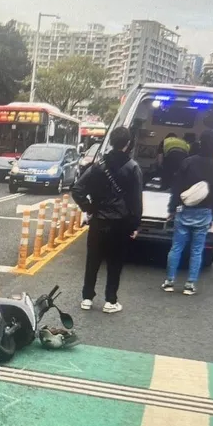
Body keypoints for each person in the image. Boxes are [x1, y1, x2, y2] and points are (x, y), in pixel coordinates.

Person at [71, 126, 144, 314]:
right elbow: (136, 200)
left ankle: (87, 298)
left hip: (98, 221)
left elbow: (77, 189)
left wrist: (89, 209)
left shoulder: (98, 165)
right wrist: (135, 224)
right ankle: (110, 301)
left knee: (93, 260)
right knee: (115, 263)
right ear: (128, 144)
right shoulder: (133, 167)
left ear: (110, 142)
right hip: (121, 223)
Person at [162, 129, 213, 295]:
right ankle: (190, 284)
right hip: (205, 212)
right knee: (197, 250)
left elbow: (177, 187)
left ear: (200, 143)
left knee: (176, 247)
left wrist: (172, 208)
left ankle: (169, 281)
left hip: (185, 210)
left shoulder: (188, 162)